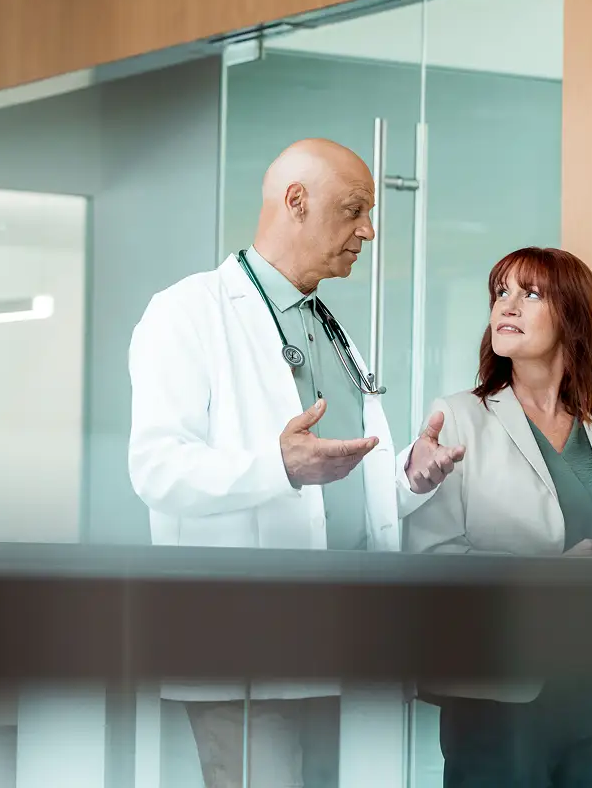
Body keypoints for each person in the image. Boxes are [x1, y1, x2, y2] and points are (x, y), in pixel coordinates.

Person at [127, 138, 463, 788]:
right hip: (247, 654)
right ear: (296, 202)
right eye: (354, 209)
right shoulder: (187, 313)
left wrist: (408, 480)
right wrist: (276, 466)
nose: (368, 229)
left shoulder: (330, 330)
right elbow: (157, 468)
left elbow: (334, 491)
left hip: (348, 650)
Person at [401, 246, 592, 788]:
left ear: (573, 315)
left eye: (530, 294)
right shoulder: (458, 418)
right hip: (497, 697)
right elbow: (431, 561)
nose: (507, 306)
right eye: (500, 293)